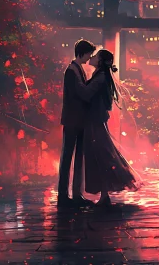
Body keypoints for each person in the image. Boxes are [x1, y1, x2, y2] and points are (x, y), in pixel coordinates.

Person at [82, 49, 142, 206]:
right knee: (102, 155)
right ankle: (103, 194)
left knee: (100, 156)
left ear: (101, 61)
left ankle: (104, 194)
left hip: (95, 121)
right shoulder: (101, 76)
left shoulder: (100, 77)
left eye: (96, 56)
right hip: (96, 120)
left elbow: (86, 94)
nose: (93, 57)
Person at [57, 39, 97, 207]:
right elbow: (82, 92)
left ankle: (76, 194)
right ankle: (64, 195)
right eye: (88, 54)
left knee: (77, 157)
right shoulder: (72, 71)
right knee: (67, 158)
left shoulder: (76, 69)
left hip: (78, 120)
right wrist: (96, 84)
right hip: (73, 120)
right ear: (82, 53)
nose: (89, 58)